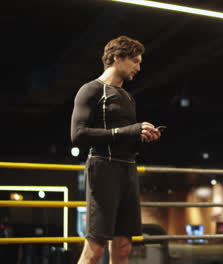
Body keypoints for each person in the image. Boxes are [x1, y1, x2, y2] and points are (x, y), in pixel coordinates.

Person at [71, 35, 162, 264]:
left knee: (123, 247)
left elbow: (125, 136)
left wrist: (142, 136)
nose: (138, 68)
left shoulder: (127, 97)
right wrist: (130, 131)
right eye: (135, 61)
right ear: (117, 58)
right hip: (103, 170)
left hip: (128, 170)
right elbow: (78, 134)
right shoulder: (91, 90)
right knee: (96, 248)